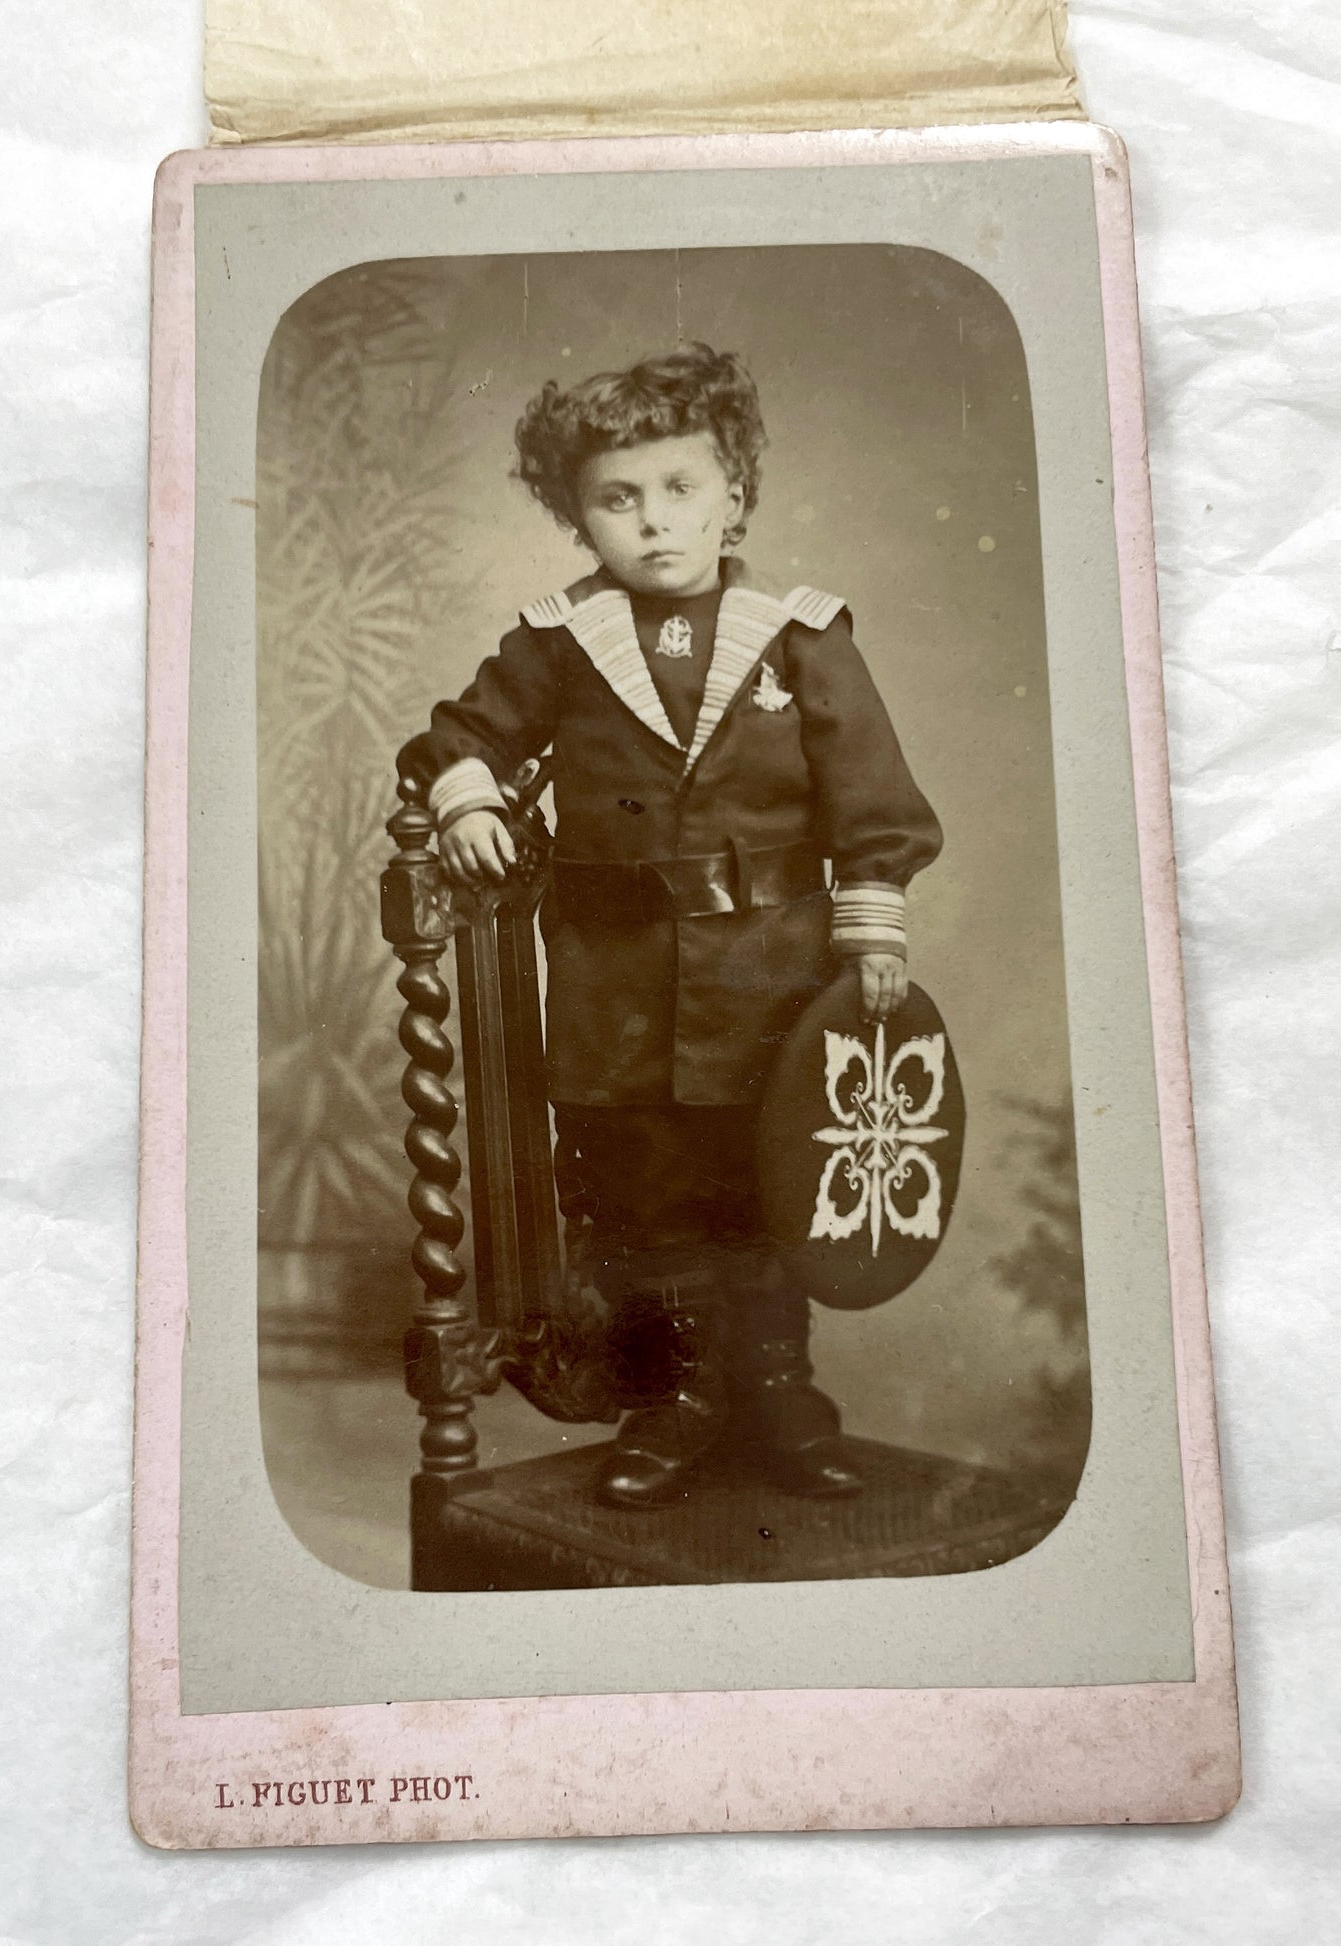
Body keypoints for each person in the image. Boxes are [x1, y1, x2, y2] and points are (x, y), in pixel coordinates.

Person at [397, 343, 942, 1509]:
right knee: (647, 1193)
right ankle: (677, 1400)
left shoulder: (801, 636)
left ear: (732, 494)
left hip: (769, 973)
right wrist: (470, 799)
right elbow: (458, 735)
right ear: (577, 518)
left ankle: (782, 1395)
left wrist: (872, 933)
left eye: (679, 487)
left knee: (767, 1181)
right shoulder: (557, 641)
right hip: (615, 983)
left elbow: (873, 800)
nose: (651, 520)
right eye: (616, 497)